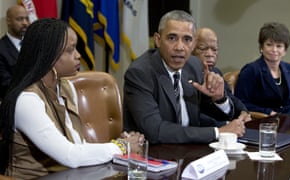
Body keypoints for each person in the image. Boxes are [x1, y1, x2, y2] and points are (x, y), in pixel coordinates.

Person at [0, 18, 144, 179]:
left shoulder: (65, 87)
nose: (78, 56)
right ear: (48, 55)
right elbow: (69, 155)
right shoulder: (27, 100)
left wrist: (120, 145)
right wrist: (121, 147)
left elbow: (77, 145)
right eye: (71, 50)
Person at [123, 10, 250, 145]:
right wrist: (218, 132)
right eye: (172, 38)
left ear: (194, 44)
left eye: (187, 39)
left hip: (191, 151)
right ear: (158, 40)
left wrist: (219, 98)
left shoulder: (194, 65)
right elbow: (156, 131)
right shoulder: (140, 73)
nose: (179, 47)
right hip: (153, 155)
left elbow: (210, 116)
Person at [235, 22, 290, 115]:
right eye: (269, 44)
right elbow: (241, 103)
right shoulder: (251, 70)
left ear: (285, 50)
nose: (274, 50)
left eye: (279, 46)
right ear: (261, 47)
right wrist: (268, 112)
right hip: (262, 122)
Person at [192, 27, 249, 120]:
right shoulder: (184, 74)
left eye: (214, 49)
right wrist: (225, 126)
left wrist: (243, 111)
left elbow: (231, 97)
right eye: (203, 49)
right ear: (191, 49)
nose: (210, 54)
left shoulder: (216, 72)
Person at [0, 5, 30, 100]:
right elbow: (5, 84)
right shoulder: (1, 48)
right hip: (15, 102)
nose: (25, 23)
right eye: (20, 19)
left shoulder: (34, 43)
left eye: (27, 19)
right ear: (8, 21)